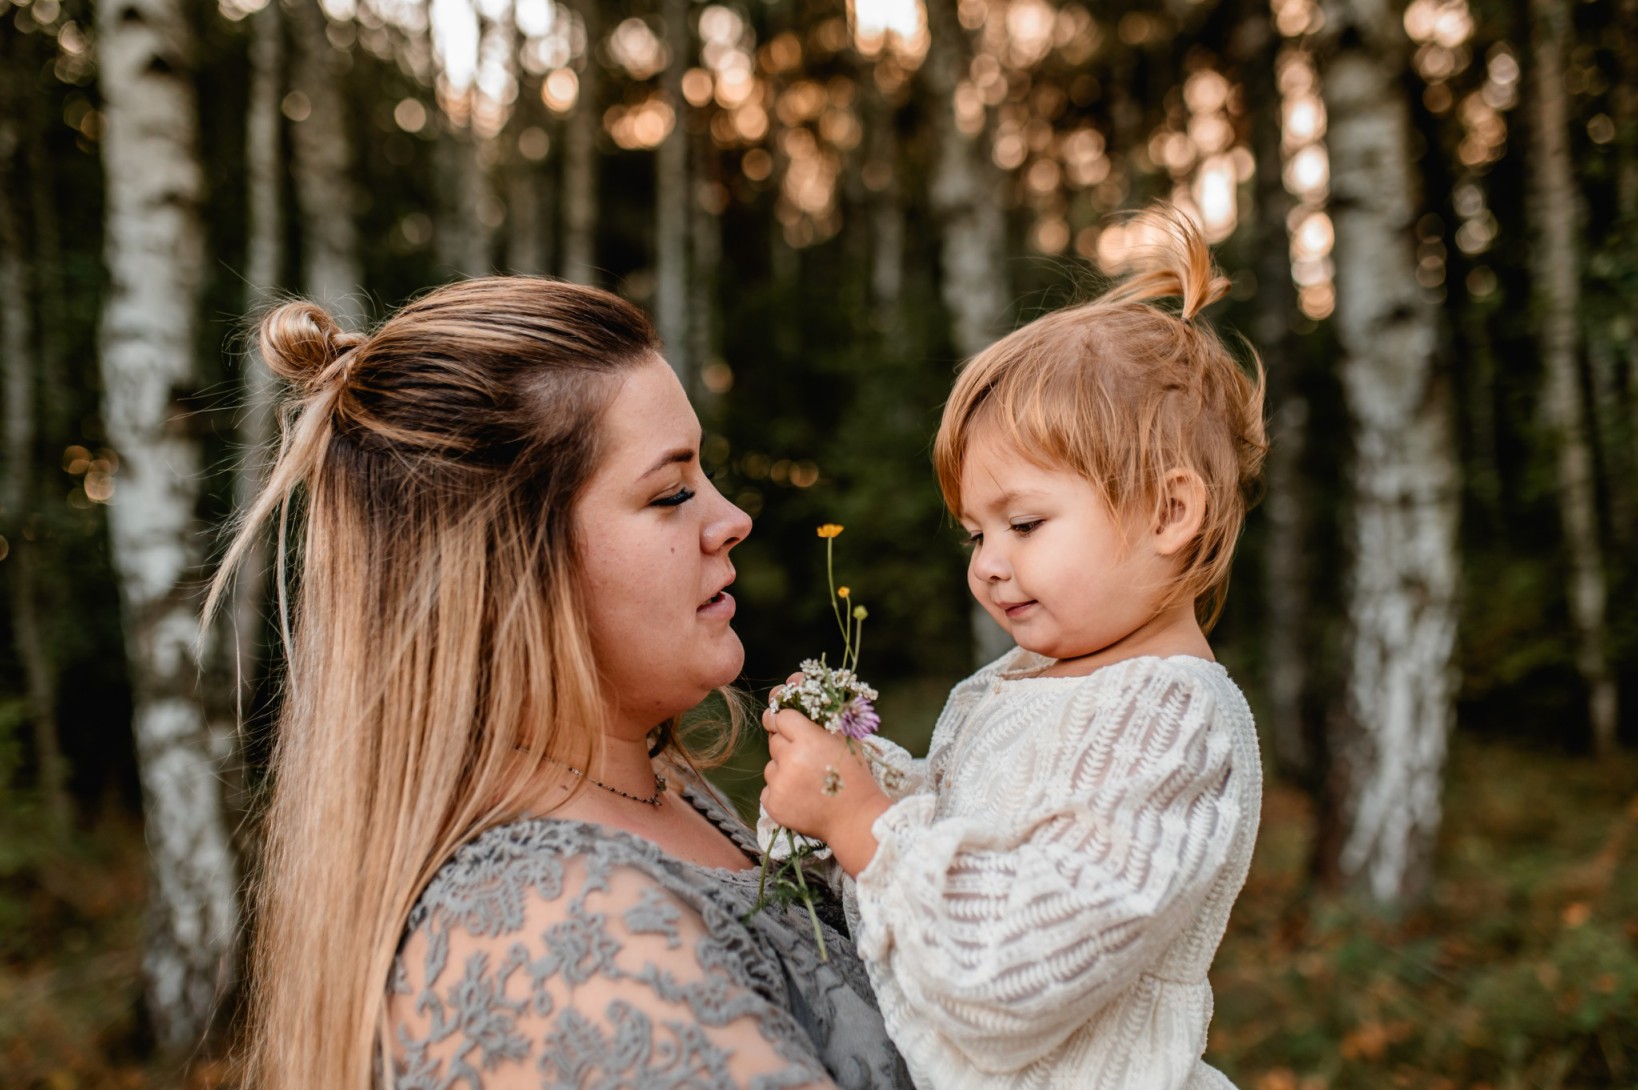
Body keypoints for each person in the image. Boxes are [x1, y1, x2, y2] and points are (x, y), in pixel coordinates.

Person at [207, 278, 911, 1090]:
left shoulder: (660, 792)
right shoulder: (552, 937)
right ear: (508, 572)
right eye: (670, 492)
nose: (731, 518)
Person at [759, 205, 1268, 1090]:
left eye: (1025, 523)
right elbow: (965, 849)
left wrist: (862, 820)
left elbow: (1009, 972)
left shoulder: (1170, 723)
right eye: (973, 536)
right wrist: (845, 782)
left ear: (1169, 513)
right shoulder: (1022, 681)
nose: (990, 567)